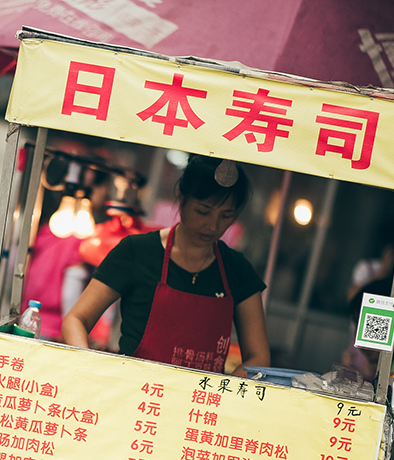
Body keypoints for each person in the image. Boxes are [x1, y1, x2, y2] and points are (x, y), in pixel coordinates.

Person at [62, 155, 269, 375]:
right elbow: (76, 319)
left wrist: (220, 395)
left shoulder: (237, 269)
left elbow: (259, 358)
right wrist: (85, 370)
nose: (212, 225)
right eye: (203, 211)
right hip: (132, 393)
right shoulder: (137, 251)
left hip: (196, 404)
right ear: (181, 195)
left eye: (226, 216)